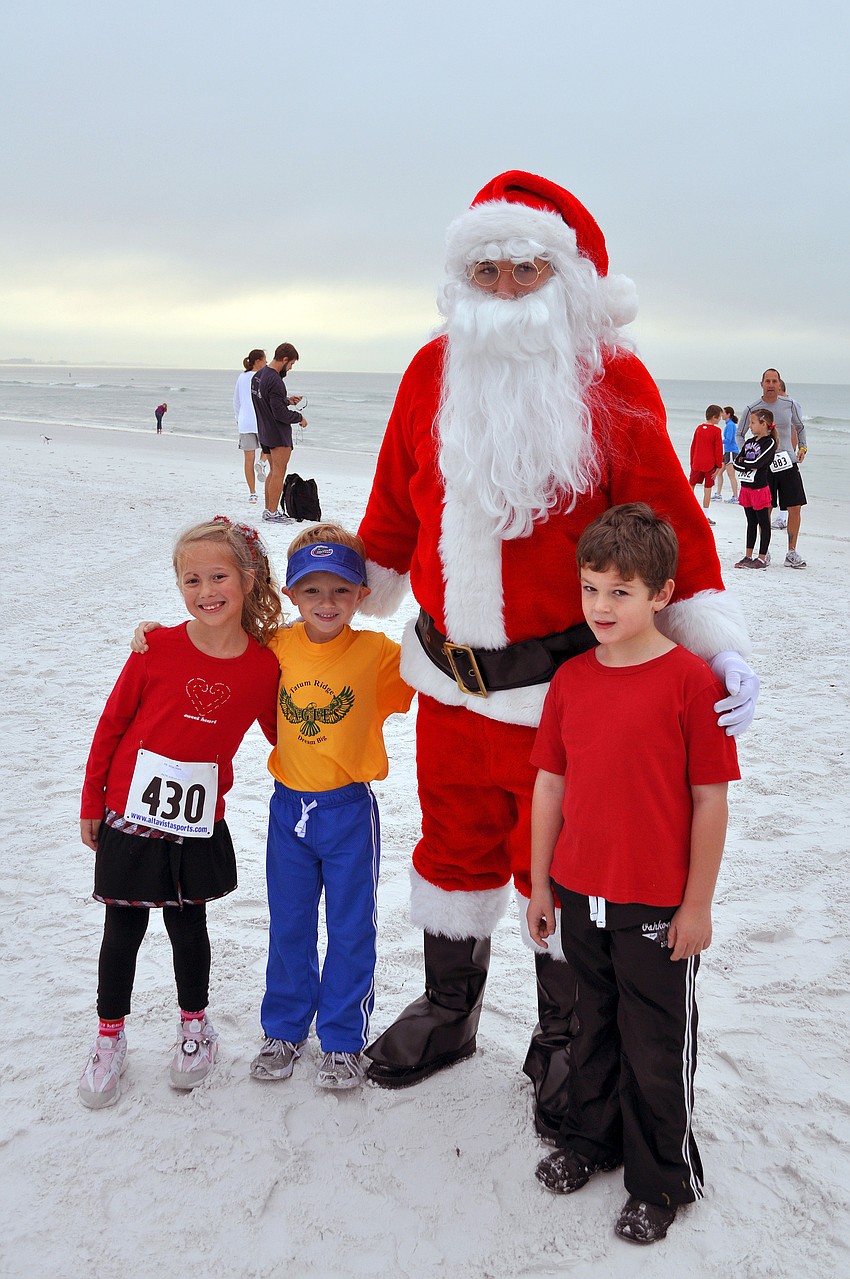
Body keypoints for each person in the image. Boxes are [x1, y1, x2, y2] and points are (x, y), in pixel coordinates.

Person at [355, 170, 757, 1132]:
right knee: (452, 850)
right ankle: (451, 1010)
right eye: (483, 267)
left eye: (522, 267)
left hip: (566, 697)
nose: (501, 286)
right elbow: (394, 512)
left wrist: (712, 642)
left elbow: (667, 518)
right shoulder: (426, 372)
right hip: (449, 688)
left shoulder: (611, 379)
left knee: (560, 870)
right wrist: (333, 596)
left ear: (564, 275)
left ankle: (562, 1033)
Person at [527, 503, 739, 1246]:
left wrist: (698, 906)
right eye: (591, 588)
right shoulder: (572, 679)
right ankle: (592, 1139)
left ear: (661, 593)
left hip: (658, 900)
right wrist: (542, 882)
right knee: (591, 1025)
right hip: (581, 891)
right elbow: (549, 785)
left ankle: (662, 1177)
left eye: (621, 591)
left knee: (656, 1040)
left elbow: (710, 800)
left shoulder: (689, 682)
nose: (601, 606)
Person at [77, 518, 280, 1108]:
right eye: (191, 579)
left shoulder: (264, 666)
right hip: (130, 816)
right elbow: (112, 725)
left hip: (195, 821)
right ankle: (109, 1037)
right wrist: (92, 799)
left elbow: (283, 734)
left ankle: (195, 1027)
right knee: (123, 931)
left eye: (218, 576)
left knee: (188, 927)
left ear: (246, 580)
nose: (205, 590)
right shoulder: (157, 647)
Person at [249, 523, 415, 1089]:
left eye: (341, 590)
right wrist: (154, 634)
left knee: (349, 927)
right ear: (291, 594)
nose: (326, 602)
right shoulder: (273, 647)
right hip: (286, 808)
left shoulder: (378, 655)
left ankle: (342, 1039)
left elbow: (443, 665)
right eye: (312, 590)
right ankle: (285, 1029)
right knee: (289, 922)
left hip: (348, 813)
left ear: (362, 595)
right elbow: (212, 645)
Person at [737, 369, 808, 568]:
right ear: (761, 384)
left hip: (788, 463)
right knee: (764, 508)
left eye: (774, 381)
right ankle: (763, 552)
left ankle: (791, 552)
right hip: (764, 468)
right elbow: (740, 434)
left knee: (795, 507)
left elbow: (800, 427)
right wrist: (749, 455)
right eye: (767, 381)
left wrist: (802, 447)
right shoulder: (753, 408)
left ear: (779, 384)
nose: (770, 384)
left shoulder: (790, 404)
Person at [251, 343, 307, 525]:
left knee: (273, 472)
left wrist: (286, 400)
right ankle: (273, 512)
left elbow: (269, 401)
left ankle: (269, 510)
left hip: (265, 431)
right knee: (278, 473)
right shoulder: (276, 381)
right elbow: (280, 414)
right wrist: (299, 417)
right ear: (284, 359)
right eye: (291, 364)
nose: (290, 369)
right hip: (277, 434)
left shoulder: (259, 376)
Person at [732, 408, 778, 569]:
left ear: (763, 424)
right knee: (751, 522)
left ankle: (762, 557)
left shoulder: (769, 442)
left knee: (763, 522)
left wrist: (745, 463)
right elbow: (736, 462)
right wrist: (744, 463)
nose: (750, 426)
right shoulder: (749, 442)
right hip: (746, 488)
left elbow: (758, 463)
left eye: (752, 422)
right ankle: (748, 555)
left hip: (760, 488)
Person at [233, 349, 267, 505]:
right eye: (265, 360)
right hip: (261, 420)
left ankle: (252, 493)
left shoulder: (242, 377)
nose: (266, 363)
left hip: (245, 422)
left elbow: (236, 401)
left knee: (248, 459)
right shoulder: (263, 376)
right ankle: (261, 463)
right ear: (258, 361)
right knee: (269, 451)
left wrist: (238, 419)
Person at [688, 406, 724, 524]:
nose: (720, 420)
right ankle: (705, 515)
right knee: (707, 489)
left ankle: (687, 510)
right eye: (719, 417)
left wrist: (692, 462)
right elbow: (718, 449)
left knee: (691, 486)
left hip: (697, 462)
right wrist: (719, 465)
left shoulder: (699, 428)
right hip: (710, 464)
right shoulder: (716, 431)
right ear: (714, 417)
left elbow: (693, 446)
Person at [713, 407, 740, 503]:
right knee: (719, 472)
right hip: (727, 452)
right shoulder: (728, 425)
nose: (722, 414)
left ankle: (735, 497)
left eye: (723, 413)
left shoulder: (730, 425)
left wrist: (717, 441)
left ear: (728, 414)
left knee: (731, 474)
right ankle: (718, 494)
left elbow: (729, 440)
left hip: (732, 452)